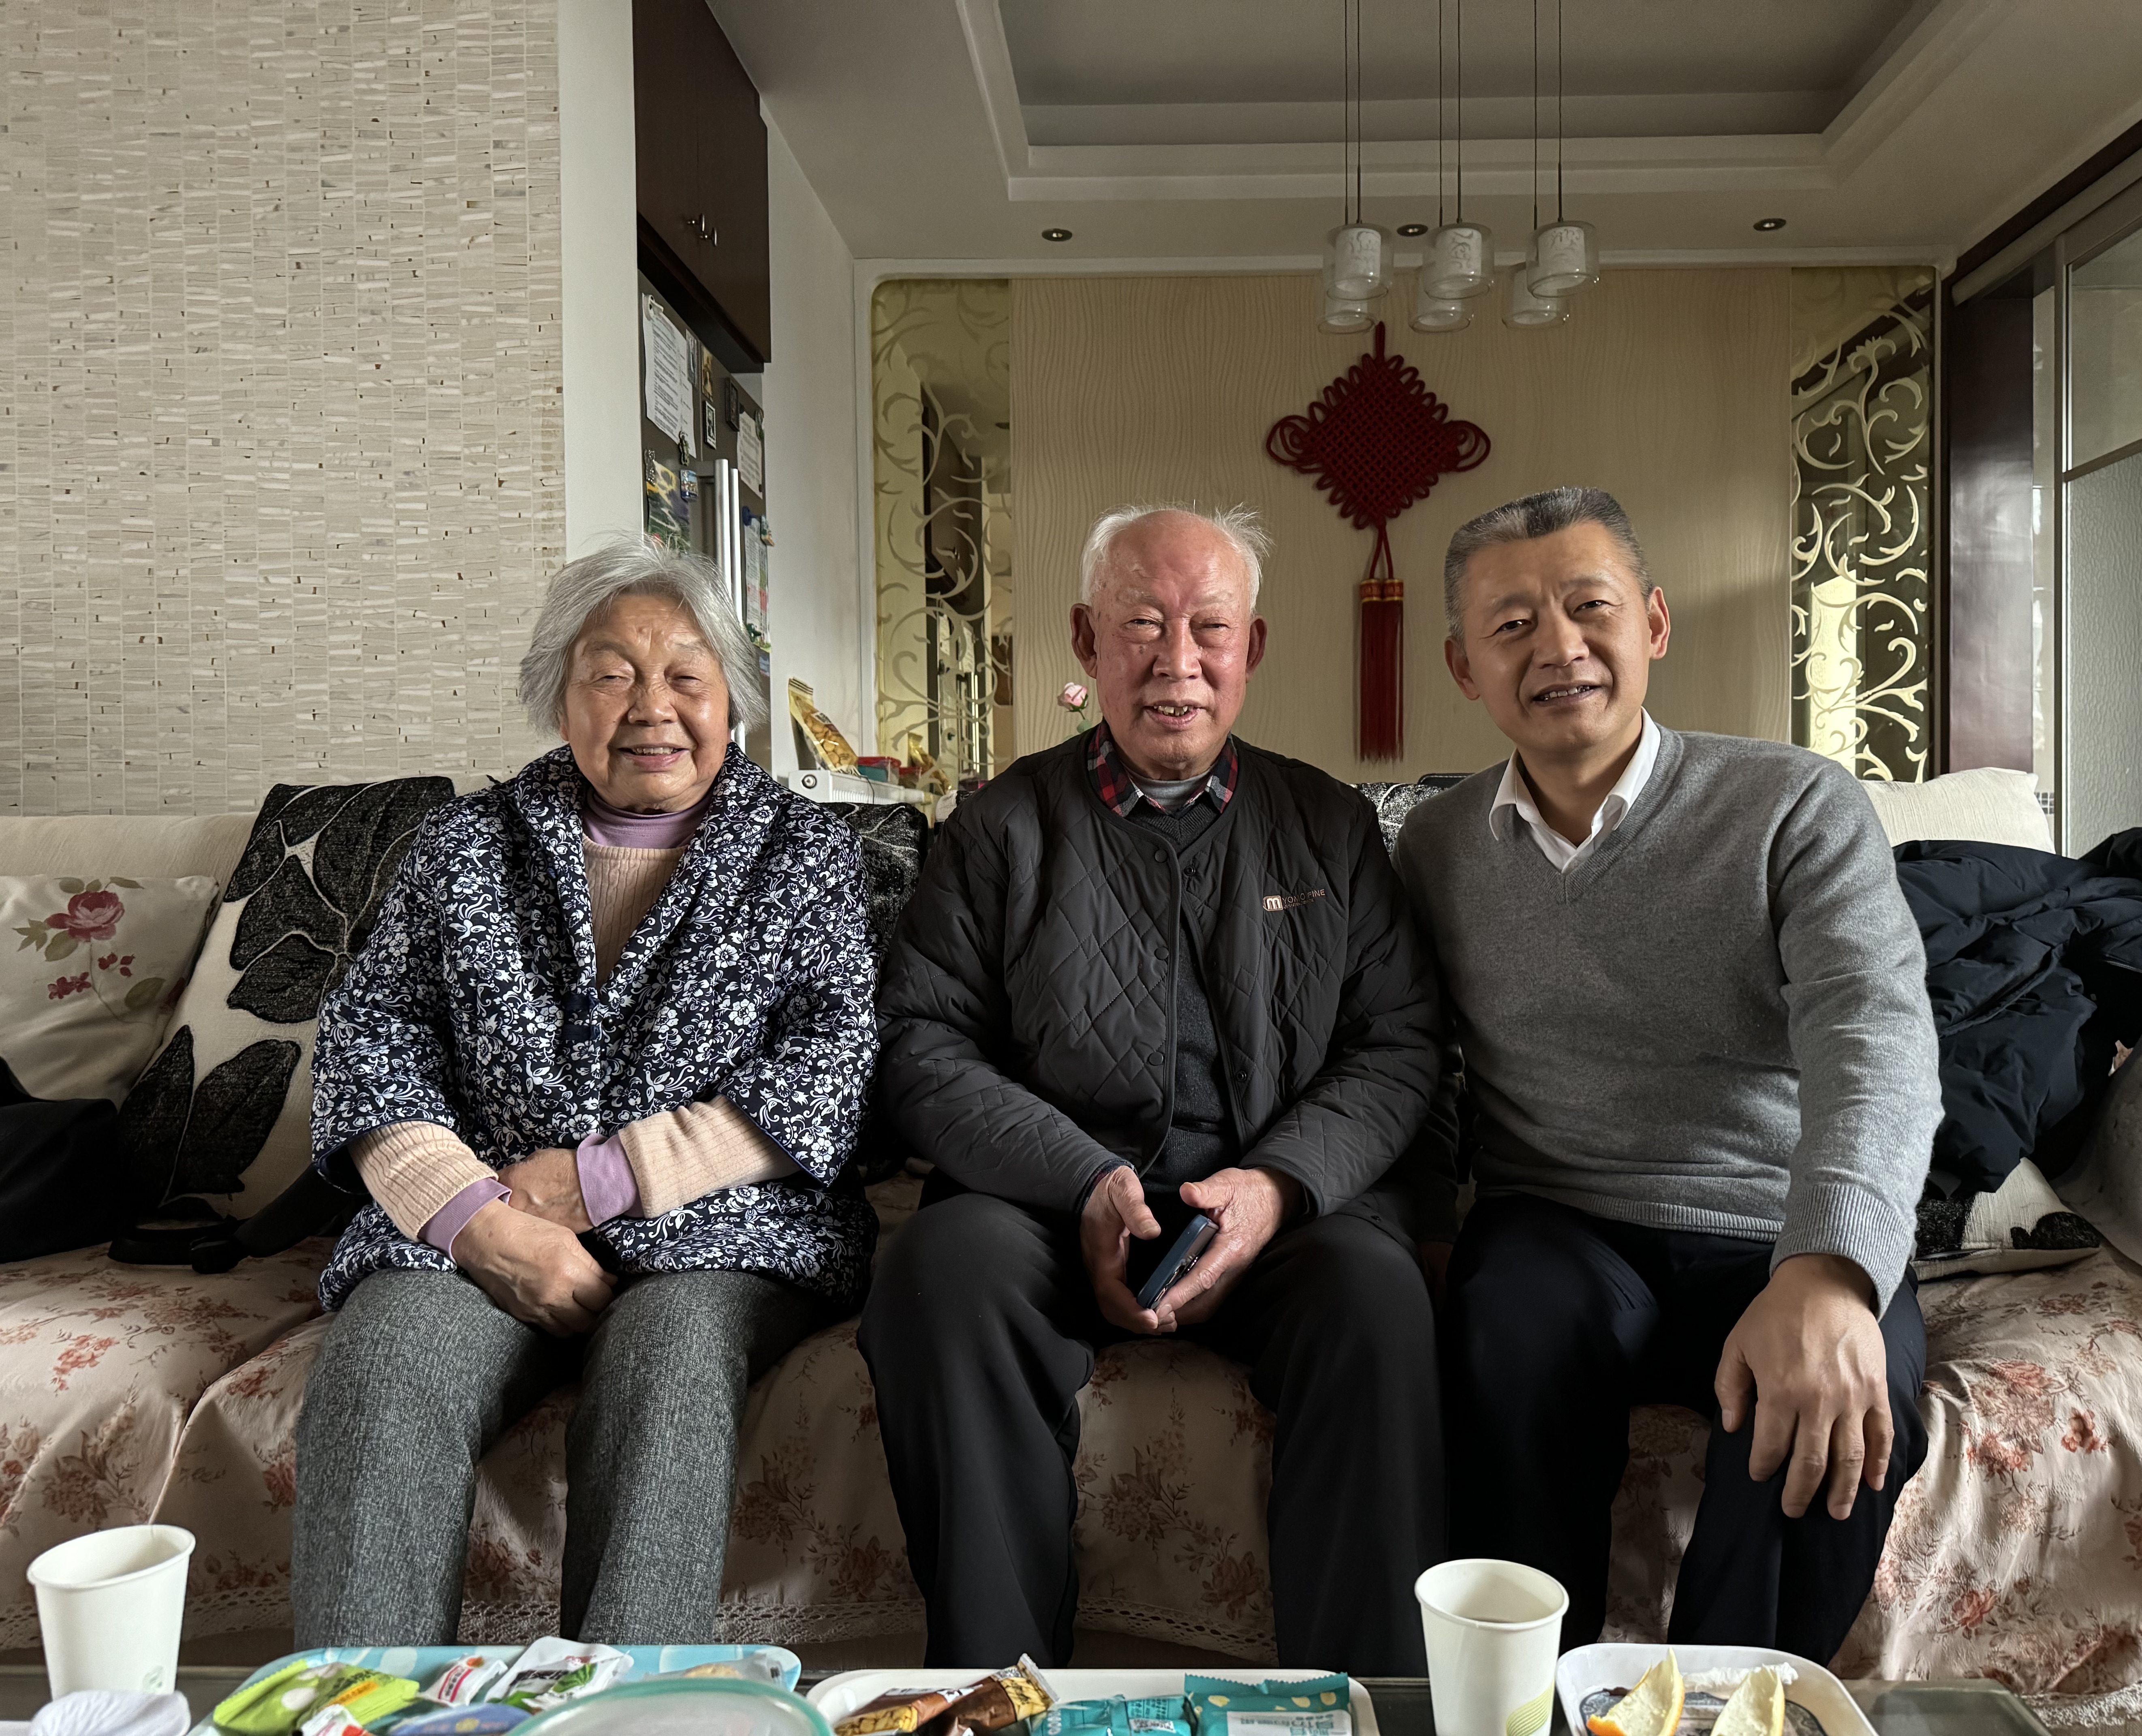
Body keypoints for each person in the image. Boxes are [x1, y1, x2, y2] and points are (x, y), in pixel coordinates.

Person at [861, 505, 1449, 1671]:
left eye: (1209, 628)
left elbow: (1399, 1043)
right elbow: (922, 1045)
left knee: (1377, 1300)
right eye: (1141, 624)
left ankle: (1364, 1700)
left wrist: (1278, 1186)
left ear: (1252, 648)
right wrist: (1082, 1179)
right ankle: (1002, 1688)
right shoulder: (999, 829)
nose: (1177, 661)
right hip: (1047, 1208)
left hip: (1273, 1211)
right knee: (939, 1273)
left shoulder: (1328, 825)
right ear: (1088, 640)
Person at [293, 540, 880, 1645]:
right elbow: (372, 1040)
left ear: (732, 699)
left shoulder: (806, 853)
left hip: (722, 1231)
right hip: (484, 1218)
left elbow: (832, 1063)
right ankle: (358, 1710)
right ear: (558, 699)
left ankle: (625, 1708)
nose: (652, 707)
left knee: (669, 1367)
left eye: (686, 675)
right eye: (612, 674)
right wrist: (474, 1220)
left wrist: (604, 1181)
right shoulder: (463, 847)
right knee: (384, 1369)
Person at [1394, 487, 1943, 1663]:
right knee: (1506, 1335)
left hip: (1775, 1222)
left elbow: (1876, 1037)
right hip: (1558, 1221)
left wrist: (1830, 1270)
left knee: (1836, 1407)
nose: (1559, 647)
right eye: (1512, 626)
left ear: (1652, 621)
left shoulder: (1793, 804)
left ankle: (1720, 1709)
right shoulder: (1434, 849)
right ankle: (1527, 1701)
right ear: (1462, 666)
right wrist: (1430, 1230)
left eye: (1589, 607)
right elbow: (1414, 1062)